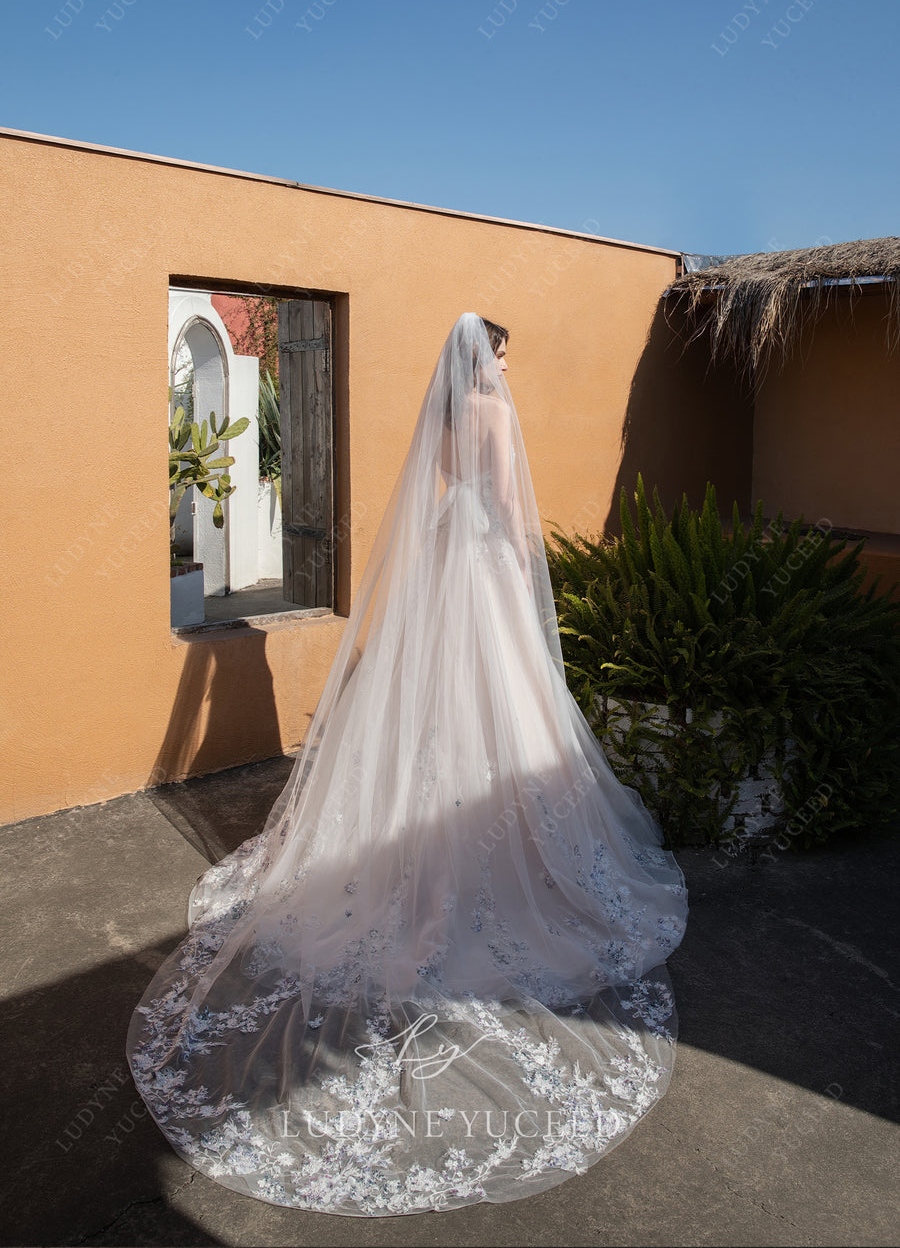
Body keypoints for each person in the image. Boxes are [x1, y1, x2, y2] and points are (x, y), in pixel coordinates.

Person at [126, 312, 688, 1216]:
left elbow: (450, 488)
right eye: (504, 355)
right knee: (504, 700)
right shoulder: (496, 416)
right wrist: (526, 564)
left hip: (444, 561)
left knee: (434, 705)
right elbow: (507, 506)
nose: (504, 368)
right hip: (486, 565)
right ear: (492, 357)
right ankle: (500, 849)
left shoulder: (446, 418)